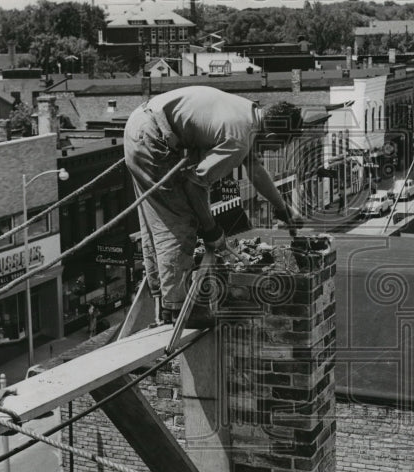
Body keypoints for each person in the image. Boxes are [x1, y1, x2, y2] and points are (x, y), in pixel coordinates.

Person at [123, 86, 305, 328]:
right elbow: (194, 186)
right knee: (181, 221)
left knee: (158, 219)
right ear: (271, 137)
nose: (270, 153)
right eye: (274, 149)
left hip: (141, 125)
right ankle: (178, 310)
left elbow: (255, 170)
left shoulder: (247, 114)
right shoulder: (239, 138)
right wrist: (211, 230)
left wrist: (283, 209)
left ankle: (164, 300)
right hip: (153, 137)